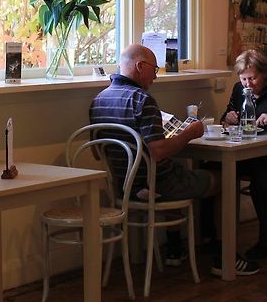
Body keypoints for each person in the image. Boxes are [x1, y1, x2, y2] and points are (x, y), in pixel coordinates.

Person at [89, 43, 259, 276]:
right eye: (154, 70)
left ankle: (175, 249)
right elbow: (158, 152)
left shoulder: (98, 99)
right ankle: (225, 256)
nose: (156, 77)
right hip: (157, 185)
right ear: (140, 66)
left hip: (124, 187)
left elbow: (96, 152)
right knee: (225, 178)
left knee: (175, 167)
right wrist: (190, 132)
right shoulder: (141, 100)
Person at [220, 48, 267, 260]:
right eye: (244, 78)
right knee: (211, 169)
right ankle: (214, 239)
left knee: (262, 181)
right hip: (243, 151)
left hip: (263, 155)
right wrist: (228, 118)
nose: (248, 83)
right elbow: (226, 117)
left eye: (253, 78)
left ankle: (264, 243)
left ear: (264, 74)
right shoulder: (239, 89)